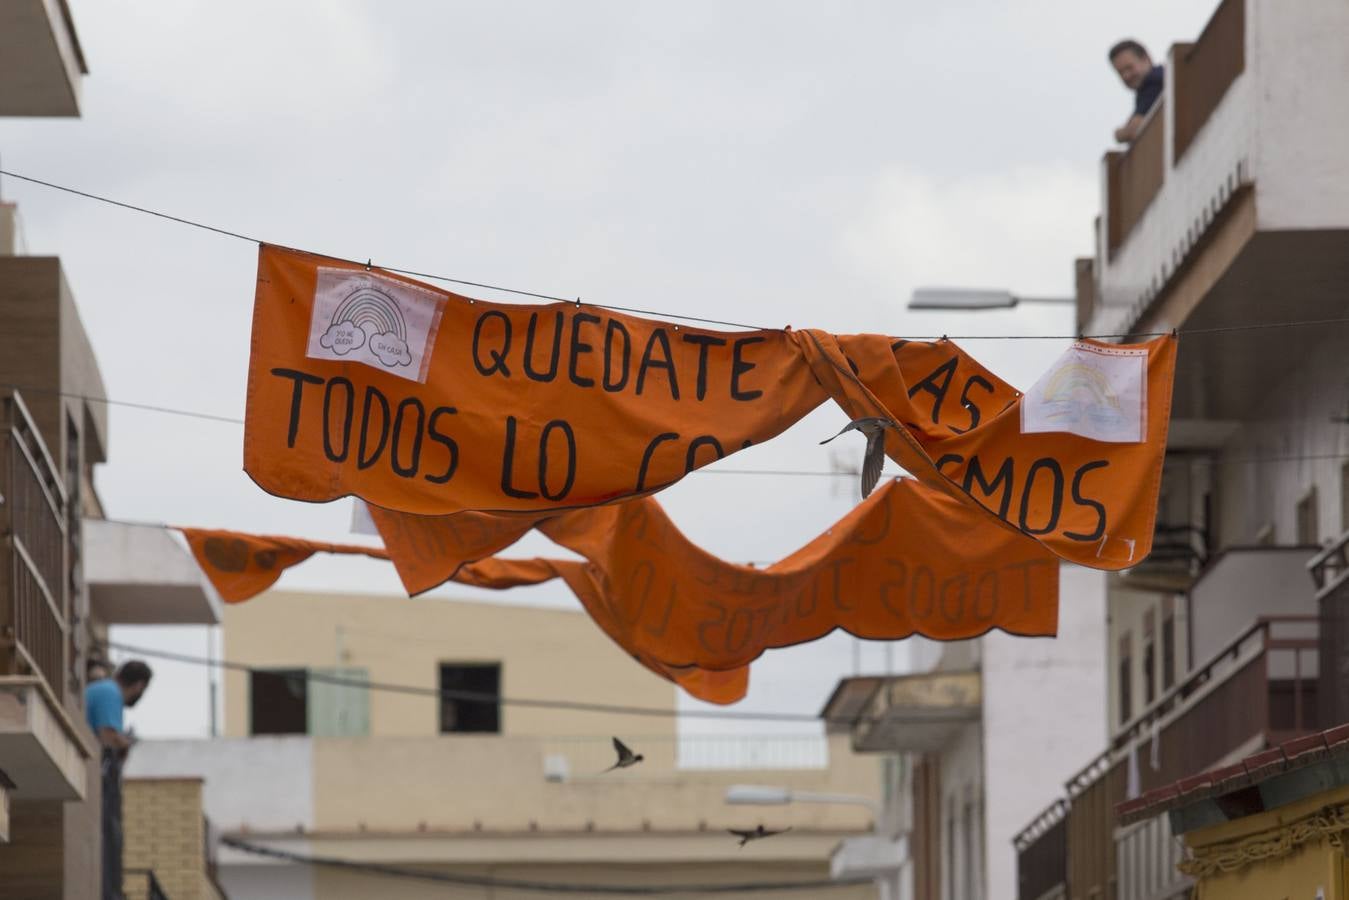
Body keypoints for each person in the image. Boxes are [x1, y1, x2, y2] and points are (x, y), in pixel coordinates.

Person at [86, 660, 153, 900]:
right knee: (109, 838)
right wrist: (127, 742)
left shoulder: (103, 690)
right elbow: (107, 735)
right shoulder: (110, 693)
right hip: (93, 776)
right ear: (138, 686)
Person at [1110, 39, 1165, 144]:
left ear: (1146, 59)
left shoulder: (1154, 81)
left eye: (1129, 68)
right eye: (1120, 72)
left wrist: (1119, 134)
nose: (1126, 76)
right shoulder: (1149, 86)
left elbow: (1135, 129)